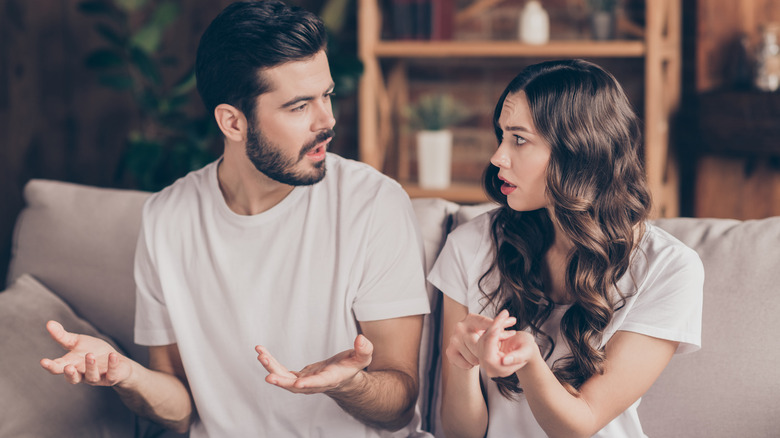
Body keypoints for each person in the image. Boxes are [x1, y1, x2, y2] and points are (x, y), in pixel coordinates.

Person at [40, 1, 432, 437]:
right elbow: (179, 407)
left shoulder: (372, 203)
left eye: (327, 95)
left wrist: (351, 384)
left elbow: (399, 401)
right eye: (299, 106)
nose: (328, 121)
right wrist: (126, 375)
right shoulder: (166, 218)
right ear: (232, 122)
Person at [428, 59, 704, 438]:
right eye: (502, 136)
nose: (497, 158)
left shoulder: (669, 268)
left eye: (519, 140)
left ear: (579, 151)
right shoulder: (470, 245)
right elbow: (462, 433)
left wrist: (527, 360)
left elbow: (582, 422)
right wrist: (463, 363)